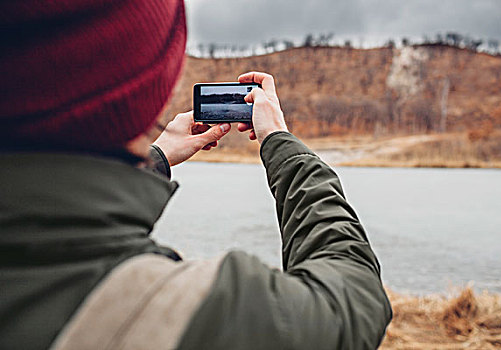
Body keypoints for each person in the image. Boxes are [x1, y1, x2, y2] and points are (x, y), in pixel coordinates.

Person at [0, 0, 392, 349]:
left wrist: (157, 157)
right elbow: (354, 297)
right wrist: (280, 142)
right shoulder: (190, 313)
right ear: (141, 96)